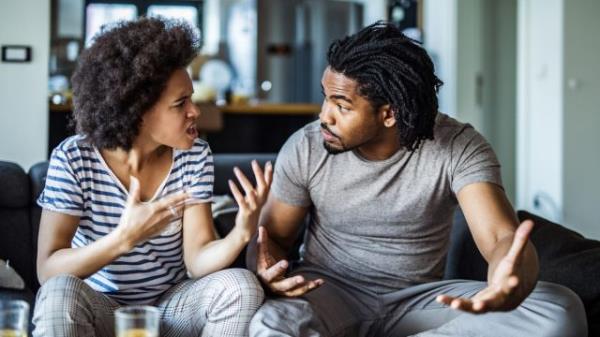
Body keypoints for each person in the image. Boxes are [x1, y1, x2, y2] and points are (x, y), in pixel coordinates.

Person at [248, 21, 587, 337]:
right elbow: (272, 236)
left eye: (342, 106)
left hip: (418, 301)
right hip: (326, 293)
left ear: (389, 114)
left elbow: (501, 237)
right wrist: (267, 269)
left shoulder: (458, 146)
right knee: (268, 323)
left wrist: (508, 281)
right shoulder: (306, 147)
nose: (324, 116)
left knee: (558, 309)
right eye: (325, 98)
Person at [33, 17, 271, 337]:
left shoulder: (194, 155)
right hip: (99, 307)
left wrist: (241, 233)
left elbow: (197, 259)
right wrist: (123, 239)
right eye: (180, 103)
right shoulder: (74, 158)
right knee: (58, 294)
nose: (195, 111)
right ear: (138, 110)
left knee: (241, 286)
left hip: (170, 307)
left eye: (192, 98)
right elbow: (48, 269)